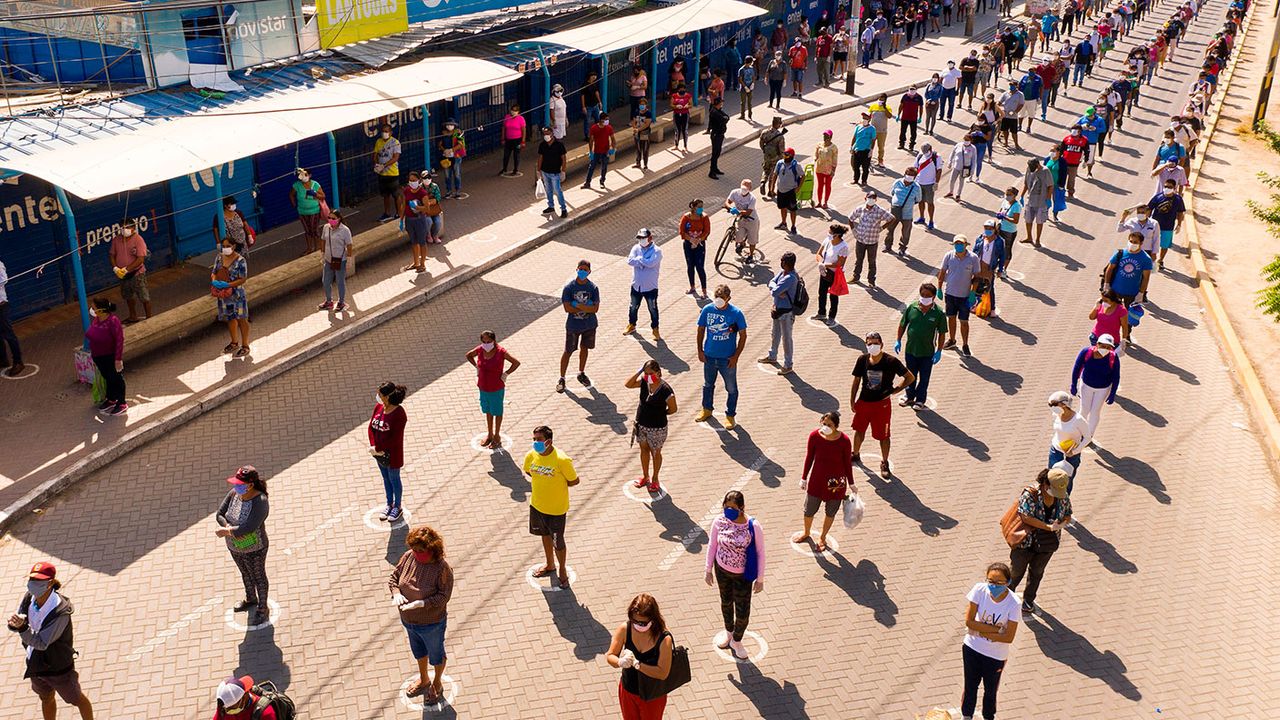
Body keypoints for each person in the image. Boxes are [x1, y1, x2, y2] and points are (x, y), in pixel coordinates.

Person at [8, 562, 94, 720]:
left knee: (76, 699)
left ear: (50, 584)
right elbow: (21, 617)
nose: (32, 585)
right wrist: (14, 623)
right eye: (31, 579)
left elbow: (42, 643)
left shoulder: (60, 612)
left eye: (38, 581)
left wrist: (21, 629)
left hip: (58, 668)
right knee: (46, 698)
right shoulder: (29, 597)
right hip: (36, 663)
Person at [390, 525, 455, 702]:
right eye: (415, 549)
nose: (417, 553)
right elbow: (394, 578)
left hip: (431, 624)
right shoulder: (408, 557)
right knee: (419, 652)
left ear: (432, 548)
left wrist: (423, 603)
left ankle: (437, 683)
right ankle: (424, 679)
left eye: (421, 550)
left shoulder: (442, 569)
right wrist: (396, 593)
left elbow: (444, 596)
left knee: (436, 655)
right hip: (409, 621)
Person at [705, 490, 765, 660]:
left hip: (742, 576)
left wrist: (760, 579)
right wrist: (708, 569)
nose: (728, 510)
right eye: (726, 506)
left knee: (743, 611)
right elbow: (712, 546)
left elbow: (761, 552)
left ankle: (737, 640)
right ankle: (728, 632)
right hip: (722, 571)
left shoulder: (753, 526)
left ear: (742, 507)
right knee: (726, 603)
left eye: (733, 507)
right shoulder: (719, 521)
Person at [961, 562, 1021, 720]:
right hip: (972, 648)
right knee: (970, 686)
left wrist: (979, 630)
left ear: (1007, 583)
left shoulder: (1014, 603)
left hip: (995, 656)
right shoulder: (979, 590)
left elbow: (1009, 637)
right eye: (991, 581)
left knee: (990, 690)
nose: (993, 586)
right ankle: (966, 715)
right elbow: (969, 622)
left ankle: (988, 716)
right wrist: (997, 630)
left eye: (999, 582)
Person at [1009, 468, 1072, 616]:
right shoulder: (1030, 495)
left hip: (1047, 544)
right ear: (1045, 484)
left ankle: (1028, 601)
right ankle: (1006, 598)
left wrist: (1063, 522)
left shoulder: (1062, 495)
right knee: (1016, 572)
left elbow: (1068, 513)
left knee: (1037, 572)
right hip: (1025, 542)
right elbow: (1026, 517)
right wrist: (1048, 527)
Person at [850, 332, 913, 479]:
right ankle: (856, 454)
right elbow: (856, 380)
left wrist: (895, 391)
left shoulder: (890, 361)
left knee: (884, 436)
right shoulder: (862, 359)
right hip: (864, 402)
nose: (872, 346)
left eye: (875, 343)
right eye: (869, 343)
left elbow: (909, 377)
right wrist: (852, 400)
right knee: (859, 429)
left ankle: (884, 462)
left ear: (882, 344)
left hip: (881, 405)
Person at [523, 425, 580, 589]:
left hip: (556, 510)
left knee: (558, 542)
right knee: (544, 535)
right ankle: (550, 565)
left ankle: (562, 570)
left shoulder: (562, 460)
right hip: (537, 506)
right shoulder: (531, 455)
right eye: (534, 439)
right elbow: (528, 471)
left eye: (538, 440)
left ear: (548, 441)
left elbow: (574, 480)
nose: (535, 443)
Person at [215, 466, 271, 625]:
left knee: (258, 576)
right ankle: (251, 599)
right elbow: (219, 514)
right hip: (235, 547)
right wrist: (227, 527)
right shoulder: (235, 494)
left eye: (240, 484)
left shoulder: (260, 502)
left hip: (255, 548)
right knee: (245, 573)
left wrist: (227, 532)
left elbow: (249, 527)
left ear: (250, 485)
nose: (236, 487)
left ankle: (262, 608)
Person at [792, 411, 854, 552]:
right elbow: (809, 458)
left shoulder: (844, 441)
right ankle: (806, 532)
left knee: (830, 512)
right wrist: (804, 477)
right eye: (824, 423)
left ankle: (823, 537)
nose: (825, 427)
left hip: (836, 484)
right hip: (817, 481)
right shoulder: (814, 436)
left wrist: (851, 483)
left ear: (836, 426)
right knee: (809, 510)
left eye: (829, 425)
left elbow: (847, 463)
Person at [607, 593, 675, 719]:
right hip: (628, 691)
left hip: (652, 696)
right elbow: (610, 655)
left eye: (643, 623)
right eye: (635, 621)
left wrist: (637, 665)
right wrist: (620, 662)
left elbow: (663, 672)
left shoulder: (664, 639)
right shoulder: (625, 629)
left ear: (653, 619)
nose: (638, 625)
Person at [694, 285, 747, 429]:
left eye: (722, 298)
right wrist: (700, 350)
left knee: (731, 389)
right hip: (709, 357)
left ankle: (730, 415)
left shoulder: (736, 313)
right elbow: (700, 330)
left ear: (728, 298)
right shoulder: (707, 310)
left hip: (727, 359)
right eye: (717, 298)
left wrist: (736, 356)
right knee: (708, 385)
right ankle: (707, 409)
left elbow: (743, 336)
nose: (719, 301)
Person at [625, 361, 678, 492]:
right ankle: (645, 476)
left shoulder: (666, 390)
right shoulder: (644, 382)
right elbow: (628, 384)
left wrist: (659, 414)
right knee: (643, 450)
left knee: (656, 452)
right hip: (641, 424)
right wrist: (639, 371)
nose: (648, 376)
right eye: (646, 373)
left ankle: (655, 479)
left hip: (657, 427)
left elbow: (673, 409)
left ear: (658, 372)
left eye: (651, 373)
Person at [896, 282, 947, 410]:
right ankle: (909, 397)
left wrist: (939, 350)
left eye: (927, 295)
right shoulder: (912, 308)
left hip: (927, 352)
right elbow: (903, 324)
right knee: (910, 376)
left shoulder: (939, 313)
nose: (924, 297)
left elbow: (941, 333)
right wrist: (898, 340)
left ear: (933, 297)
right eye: (922, 294)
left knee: (924, 378)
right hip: (911, 350)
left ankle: (920, 400)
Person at [466, 332, 520, 450]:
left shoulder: (501, 352)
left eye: (488, 341)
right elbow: (468, 355)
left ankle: (497, 436)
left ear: (494, 340)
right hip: (483, 387)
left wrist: (506, 373)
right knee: (488, 411)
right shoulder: (480, 350)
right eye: (484, 342)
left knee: (497, 412)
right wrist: (477, 367)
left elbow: (516, 363)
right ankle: (490, 434)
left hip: (496, 388)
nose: (486, 344)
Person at [367, 381, 408, 520]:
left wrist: (379, 448)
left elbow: (395, 438)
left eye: (380, 394)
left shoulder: (399, 413)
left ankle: (397, 506)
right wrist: (374, 445)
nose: (378, 396)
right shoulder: (378, 408)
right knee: (386, 478)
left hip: (392, 455)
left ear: (387, 397)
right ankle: (389, 504)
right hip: (378, 454)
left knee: (394, 478)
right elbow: (371, 427)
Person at [1070, 334, 1120, 444]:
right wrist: (1073, 384)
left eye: (1109, 347)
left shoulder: (1113, 358)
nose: (1105, 349)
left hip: (1103, 389)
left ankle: (1089, 436)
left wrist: (1112, 394)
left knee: (1095, 412)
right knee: (1084, 409)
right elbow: (1077, 368)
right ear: (1097, 344)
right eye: (1103, 346)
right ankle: (1079, 432)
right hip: (1086, 385)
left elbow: (1116, 377)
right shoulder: (1086, 352)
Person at [559, 260, 600, 394]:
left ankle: (581, 372)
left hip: (589, 325)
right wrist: (586, 306)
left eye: (585, 270)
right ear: (576, 269)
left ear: (589, 272)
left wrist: (578, 305)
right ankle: (561, 378)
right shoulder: (569, 288)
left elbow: (595, 309)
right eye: (580, 269)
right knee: (568, 351)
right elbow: (567, 308)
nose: (582, 271)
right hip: (573, 325)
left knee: (585, 348)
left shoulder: (593, 288)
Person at [937, 234, 981, 356]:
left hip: (965, 296)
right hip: (950, 294)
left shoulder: (973, 258)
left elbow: (976, 277)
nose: (959, 246)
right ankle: (952, 340)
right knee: (951, 318)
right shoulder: (948, 256)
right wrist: (939, 288)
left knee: (964, 321)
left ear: (966, 245)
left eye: (961, 244)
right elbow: (942, 272)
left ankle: (965, 344)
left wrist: (973, 292)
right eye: (956, 244)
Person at [760, 252, 799, 374]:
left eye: (782, 261)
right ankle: (772, 355)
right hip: (778, 309)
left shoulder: (789, 278)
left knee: (786, 339)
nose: (780, 263)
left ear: (786, 263)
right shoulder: (784, 273)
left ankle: (788, 364)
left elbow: (774, 292)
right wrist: (775, 289)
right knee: (775, 334)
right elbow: (771, 282)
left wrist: (776, 290)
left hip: (786, 313)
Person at [85, 298, 126, 416]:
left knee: (116, 378)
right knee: (108, 377)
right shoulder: (97, 320)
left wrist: (118, 359)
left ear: (101, 310)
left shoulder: (113, 321)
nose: (92, 310)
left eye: (94, 308)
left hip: (110, 356)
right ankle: (111, 399)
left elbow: (119, 340)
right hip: (98, 356)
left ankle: (122, 402)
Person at [211, 237, 250, 358]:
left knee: (242, 319)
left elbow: (242, 279)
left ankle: (245, 345)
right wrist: (214, 281)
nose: (225, 248)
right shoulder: (219, 257)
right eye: (224, 246)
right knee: (230, 318)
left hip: (237, 295)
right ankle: (234, 342)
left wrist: (228, 285)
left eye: (228, 246)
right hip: (224, 295)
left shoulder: (240, 260)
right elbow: (214, 272)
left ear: (233, 246)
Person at [109, 218, 151, 322]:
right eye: (122, 227)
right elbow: (111, 255)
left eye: (127, 227)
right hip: (122, 275)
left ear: (133, 228)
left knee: (144, 297)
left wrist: (127, 269)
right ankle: (133, 316)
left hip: (137, 273)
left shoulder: (138, 239)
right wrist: (115, 268)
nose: (124, 229)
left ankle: (150, 317)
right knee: (128, 296)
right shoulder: (116, 240)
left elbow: (141, 259)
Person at [625, 228, 663, 340]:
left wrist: (639, 260)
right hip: (636, 285)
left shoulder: (657, 251)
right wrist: (643, 261)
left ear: (650, 238)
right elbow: (630, 261)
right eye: (639, 238)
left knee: (653, 308)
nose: (641, 240)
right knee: (633, 307)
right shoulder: (636, 248)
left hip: (650, 287)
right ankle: (632, 325)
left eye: (643, 238)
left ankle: (655, 329)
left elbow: (651, 263)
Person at [1103, 233, 1153, 311]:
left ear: (1141, 243)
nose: (1132, 244)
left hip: (1132, 293)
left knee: (1128, 318)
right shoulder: (1120, 253)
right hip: (1115, 291)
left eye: (1135, 242)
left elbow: (1146, 278)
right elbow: (1110, 269)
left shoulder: (1146, 259)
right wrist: (1107, 284)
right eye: (1131, 241)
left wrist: (1141, 293)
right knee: (1111, 313)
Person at [1046, 390, 1088, 482]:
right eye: (1050, 405)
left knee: (1066, 482)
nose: (1052, 408)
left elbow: (1087, 438)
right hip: (1056, 451)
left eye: (1054, 405)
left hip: (1072, 455)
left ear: (1064, 404)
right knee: (1051, 479)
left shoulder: (1078, 420)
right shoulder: (1057, 414)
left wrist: (1074, 452)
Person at [401, 171, 438, 273]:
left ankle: (422, 264)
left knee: (422, 242)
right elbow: (403, 205)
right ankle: (416, 262)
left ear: (419, 181)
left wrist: (418, 208)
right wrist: (401, 219)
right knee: (414, 242)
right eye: (410, 180)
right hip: (409, 220)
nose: (412, 182)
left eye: (414, 180)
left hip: (419, 220)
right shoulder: (406, 191)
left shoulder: (422, 193)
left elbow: (427, 209)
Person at [1146, 180, 1186, 270]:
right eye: (1166, 186)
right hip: (1155, 226)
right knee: (1152, 244)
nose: (1167, 188)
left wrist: (1179, 224)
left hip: (1168, 226)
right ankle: (1152, 260)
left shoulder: (1178, 199)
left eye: (1170, 187)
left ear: (1174, 188)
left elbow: (1180, 212)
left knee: (1165, 245)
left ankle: (1160, 260)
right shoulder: (1158, 197)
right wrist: (1146, 221)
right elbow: (1149, 208)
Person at [816, 224, 853, 319]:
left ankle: (832, 317)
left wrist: (825, 265)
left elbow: (839, 263)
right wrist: (821, 263)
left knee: (833, 295)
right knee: (822, 292)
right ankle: (821, 313)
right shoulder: (827, 240)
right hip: (824, 271)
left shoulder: (843, 247)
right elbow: (819, 253)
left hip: (835, 274)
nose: (829, 234)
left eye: (831, 232)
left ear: (837, 235)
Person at [318, 210, 352, 312]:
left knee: (340, 281)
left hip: (339, 260)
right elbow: (323, 240)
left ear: (339, 219)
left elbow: (349, 245)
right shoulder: (326, 228)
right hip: (328, 259)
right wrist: (322, 253)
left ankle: (341, 302)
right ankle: (329, 301)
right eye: (329, 218)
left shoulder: (345, 230)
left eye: (333, 218)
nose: (331, 220)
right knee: (326, 281)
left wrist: (349, 258)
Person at [884, 169, 922, 255]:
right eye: (908, 174)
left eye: (912, 175)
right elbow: (892, 193)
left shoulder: (917, 187)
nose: (909, 176)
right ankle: (887, 245)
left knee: (906, 232)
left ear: (915, 177)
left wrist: (908, 204)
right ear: (905, 174)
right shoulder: (897, 182)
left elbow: (918, 199)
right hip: (894, 211)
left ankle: (902, 248)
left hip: (907, 214)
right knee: (890, 229)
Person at [289, 167, 326, 255]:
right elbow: (291, 194)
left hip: (314, 211)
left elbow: (323, 196)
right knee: (307, 230)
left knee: (315, 230)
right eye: (302, 175)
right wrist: (294, 204)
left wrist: (315, 193)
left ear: (309, 175)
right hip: (302, 212)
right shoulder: (297, 185)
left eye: (305, 175)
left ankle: (318, 248)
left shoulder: (315, 184)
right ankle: (309, 248)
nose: (303, 177)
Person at [724, 180, 761, 265]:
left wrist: (737, 211)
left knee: (752, 240)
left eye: (746, 188)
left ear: (750, 189)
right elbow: (727, 202)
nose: (743, 190)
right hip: (741, 219)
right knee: (738, 236)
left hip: (751, 220)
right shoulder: (734, 192)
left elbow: (748, 212)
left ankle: (751, 255)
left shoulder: (752, 198)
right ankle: (741, 244)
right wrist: (729, 208)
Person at [679, 199, 711, 298]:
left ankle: (704, 291)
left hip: (700, 245)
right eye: (699, 207)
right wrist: (691, 240)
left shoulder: (704, 217)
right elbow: (682, 231)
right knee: (690, 266)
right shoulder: (686, 217)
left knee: (700, 267)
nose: (701, 209)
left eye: (702, 207)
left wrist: (699, 240)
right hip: (688, 245)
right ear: (693, 207)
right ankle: (692, 287)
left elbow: (707, 231)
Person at [973, 220, 1005, 315]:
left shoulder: (999, 241)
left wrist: (1000, 269)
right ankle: (975, 305)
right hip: (979, 266)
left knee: (989, 288)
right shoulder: (980, 238)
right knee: (976, 285)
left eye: (990, 228)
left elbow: (1002, 256)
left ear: (994, 229)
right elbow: (974, 252)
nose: (987, 230)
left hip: (990, 268)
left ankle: (992, 309)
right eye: (986, 228)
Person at [537, 126, 569, 219]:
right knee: (548, 190)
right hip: (545, 171)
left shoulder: (559, 145)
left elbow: (563, 158)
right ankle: (551, 206)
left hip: (555, 173)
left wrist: (563, 171)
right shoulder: (542, 145)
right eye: (544, 134)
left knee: (558, 191)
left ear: (552, 134)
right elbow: (540, 158)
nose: (546, 136)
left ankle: (563, 209)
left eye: (547, 134)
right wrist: (538, 170)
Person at [1021, 158, 1053, 247]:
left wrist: (1048, 199)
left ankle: (1037, 240)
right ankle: (1029, 237)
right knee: (1027, 219)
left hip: (1041, 201)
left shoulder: (1045, 171)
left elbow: (1050, 186)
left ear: (1038, 164)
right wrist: (1022, 195)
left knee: (1039, 222)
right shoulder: (1029, 169)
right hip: (1030, 200)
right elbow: (1026, 183)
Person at [374, 124, 402, 222]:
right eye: (383, 131)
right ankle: (387, 213)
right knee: (385, 195)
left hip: (392, 173)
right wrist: (377, 164)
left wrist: (384, 165)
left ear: (390, 132)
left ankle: (399, 212)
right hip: (382, 174)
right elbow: (376, 154)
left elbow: (396, 157)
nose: (384, 133)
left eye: (386, 131)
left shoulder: (395, 143)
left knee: (396, 194)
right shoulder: (378, 141)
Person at [0, 258, 23, 377]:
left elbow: (4, 280)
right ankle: (3, 359)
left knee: (9, 335)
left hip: (1, 306)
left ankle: (18, 361)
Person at [773, 149, 804, 234]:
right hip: (780, 190)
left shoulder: (796, 165)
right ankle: (783, 223)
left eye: (787, 155)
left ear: (791, 156)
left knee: (792, 210)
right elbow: (775, 174)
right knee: (782, 208)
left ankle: (793, 226)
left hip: (790, 191)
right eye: (784, 155)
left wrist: (798, 188)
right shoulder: (779, 163)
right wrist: (772, 188)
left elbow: (802, 176)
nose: (784, 157)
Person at [583, 114, 616, 189]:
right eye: (606, 119)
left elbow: (613, 139)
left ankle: (602, 181)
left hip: (605, 151)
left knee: (604, 167)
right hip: (596, 151)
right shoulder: (594, 128)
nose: (607, 121)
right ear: (601, 120)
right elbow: (591, 140)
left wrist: (613, 148)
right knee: (592, 167)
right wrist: (591, 151)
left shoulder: (609, 128)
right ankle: (588, 182)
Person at [913, 144, 942, 230]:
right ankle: (922, 217)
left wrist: (936, 182)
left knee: (930, 203)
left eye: (926, 151)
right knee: (920, 201)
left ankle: (931, 221)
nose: (925, 152)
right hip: (919, 183)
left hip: (930, 184)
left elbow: (939, 170)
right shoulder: (920, 155)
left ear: (930, 149)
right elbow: (915, 167)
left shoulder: (936, 157)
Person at [437, 119, 466, 198]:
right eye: (448, 125)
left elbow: (460, 144)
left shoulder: (458, 133)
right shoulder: (443, 134)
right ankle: (448, 191)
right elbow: (439, 144)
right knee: (447, 175)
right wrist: (444, 150)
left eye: (451, 125)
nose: (449, 126)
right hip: (446, 157)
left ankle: (457, 191)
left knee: (457, 174)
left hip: (456, 156)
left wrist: (451, 150)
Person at [996, 187, 1022, 273]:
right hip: (1001, 228)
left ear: (1014, 195)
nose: (1007, 196)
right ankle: (998, 266)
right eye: (1006, 194)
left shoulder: (1016, 206)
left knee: (1007, 250)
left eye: (1009, 195)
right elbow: (1000, 211)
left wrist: (1005, 217)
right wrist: (999, 215)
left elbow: (1015, 220)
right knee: (998, 248)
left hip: (1009, 232)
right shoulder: (1005, 202)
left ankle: (1004, 269)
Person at [945, 135, 977, 201]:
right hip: (956, 166)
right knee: (952, 180)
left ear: (970, 141)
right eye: (965, 140)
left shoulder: (973, 148)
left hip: (965, 168)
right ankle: (951, 192)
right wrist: (950, 162)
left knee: (961, 182)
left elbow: (974, 160)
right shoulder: (958, 145)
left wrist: (972, 170)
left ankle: (958, 195)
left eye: (968, 140)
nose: (966, 141)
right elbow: (952, 153)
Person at [759, 117, 787, 194]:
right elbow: (782, 149)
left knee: (766, 169)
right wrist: (783, 158)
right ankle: (770, 191)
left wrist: (764, 151)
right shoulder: (780, 136)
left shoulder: (764, 132)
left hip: (766, 155)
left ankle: (763, 182)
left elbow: (761, 143)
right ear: (777, 124)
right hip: (775, 157)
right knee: (773, 173)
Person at [813, 130, 839, 208]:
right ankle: (819, 202)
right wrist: (814, 160)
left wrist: (833, 171)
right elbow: (816, 155)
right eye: (824, 136)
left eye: (827, 136)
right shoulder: (819, 145)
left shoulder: (834, 148)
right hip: (819, 169)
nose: (825, 138)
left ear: (831, 137)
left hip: (829, 170)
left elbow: (835, 160)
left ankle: (825, 202)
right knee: (820, 186)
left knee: (827, 186)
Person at [996, 81, 1024, 150]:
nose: (1011, 87)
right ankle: (1006, 142)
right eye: (1010, 85)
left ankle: (1016, 144)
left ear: (1016, 86)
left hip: (1013, 116)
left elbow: (1021, 104)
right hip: (1005, 115)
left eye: (1013, 86)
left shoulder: (1020, 94)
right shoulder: (1006, 93)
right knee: (1005, 130)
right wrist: (997, 108)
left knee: (1014, 132)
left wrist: (1015, 112)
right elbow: (999, 102)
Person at [850, 113, 877, 185]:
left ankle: (864, 181)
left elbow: (873, 140)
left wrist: (871, 150)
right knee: (856, 167)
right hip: (857, 150)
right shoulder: (858, 127)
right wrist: (851, 147)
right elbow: (854, 137)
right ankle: (856, 179)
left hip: (866, 151)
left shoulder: (872, 129)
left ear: (869, 119)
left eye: (866, 118)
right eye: (863, 118)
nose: (864, 120)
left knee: (865, 168)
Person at [868, 93, 894, 166]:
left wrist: (884, 108)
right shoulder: (873, 106)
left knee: (881, 147)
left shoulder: (887, 107)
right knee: (870, 146)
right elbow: (869, 116)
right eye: (879, 99)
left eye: (882, 99)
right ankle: (868, 158)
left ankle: (880, 160)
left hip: (882, 131)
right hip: (872, 131)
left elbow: (889, 116)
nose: (880, 100)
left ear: (885, 100)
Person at [500, 104, 527, 176]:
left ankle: (515, 169)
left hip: (517, 140)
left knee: (516, 155)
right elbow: (504, 128)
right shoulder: (507, 117)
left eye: (515, 111)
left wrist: (523, 141)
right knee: (506, 155)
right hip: (508, 140)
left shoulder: (521, 119)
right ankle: (504, 168)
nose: (513, 112)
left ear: (518, 112)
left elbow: (523, 130)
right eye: (512, 110)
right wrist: (503, 138)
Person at [708, 96, 730, 178]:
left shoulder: (719, 110)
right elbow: (723, 120)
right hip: (716, 135)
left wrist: (725, 119)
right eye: (721, 102)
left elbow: (727, 117)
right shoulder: (714, 112)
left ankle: (715, 168)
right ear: (717, 103)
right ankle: (711, 171)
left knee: (718, 152)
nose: (722, 104)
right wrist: (725, 119)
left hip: (720, 134)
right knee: (715, 153)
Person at [898, 85, 924, 151]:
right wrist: (898, 115)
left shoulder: (919, 97)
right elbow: (901, 105)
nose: (912, 90)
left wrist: (920, 117)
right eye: (911, 89)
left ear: (916, 89)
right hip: (904, 117)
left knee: (913, 132)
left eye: (913, 89)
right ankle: (901, 143)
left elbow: (921, 107)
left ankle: (911, 145)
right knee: (903, 131)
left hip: (913, 118)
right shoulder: (905, 96)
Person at [632, 99, 655, 171]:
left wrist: (639, 129)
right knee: (638, 148)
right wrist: (635, 128)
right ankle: (638, 163)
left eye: (643, 104)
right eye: (641, 104)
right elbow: (633, 121)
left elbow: (647, 124)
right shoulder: (636, 112)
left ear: (646, 105)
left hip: (645, 132)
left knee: (645, 149)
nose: (642, 106)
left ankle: (645, 165)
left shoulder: (648, 113)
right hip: (637, 133)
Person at [670, 83, 693, 151]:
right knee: (677, 130)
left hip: (685, 114)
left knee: (684, 130)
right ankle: (676, 145)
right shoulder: (674, 96)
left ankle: (685, 146)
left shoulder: (688, 96)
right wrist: (676, 106)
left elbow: (691, 104)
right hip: (677, 113)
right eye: (680, 89)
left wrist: (687, 106)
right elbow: (671, 104)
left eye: (683, 89)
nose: (682, 90)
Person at [580, 74, 602, 140]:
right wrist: (583, 106)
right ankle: (587, 136)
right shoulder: (585, 85)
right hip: (588, 106)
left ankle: (598, 133)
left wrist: (599, 102)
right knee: (587, 121)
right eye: (593, 76)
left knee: (598, 119)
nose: (594, 77)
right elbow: (582, 96)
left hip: (595, 105)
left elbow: (596, 92)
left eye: (595, 76)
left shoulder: (594, 84)